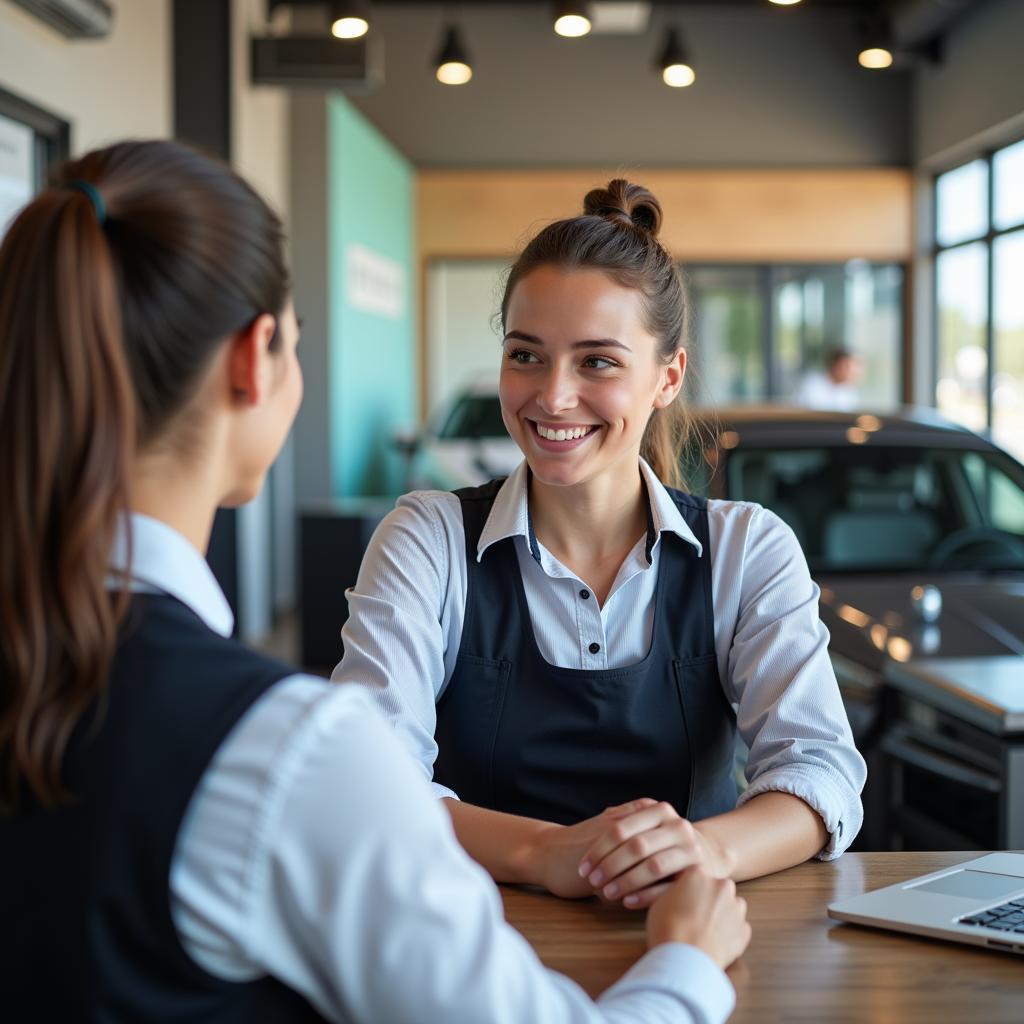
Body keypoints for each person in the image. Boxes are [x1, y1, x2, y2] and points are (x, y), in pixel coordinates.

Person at [0, 143, 750, 1022]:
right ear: (257, 358)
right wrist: (688, 962)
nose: (554, 397)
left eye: (597, 361)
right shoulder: (283, 752)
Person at [334, 180, 866, 907]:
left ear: (667, 376)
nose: (552, 396)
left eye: (598, 362)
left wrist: (697, 849)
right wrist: (545, 850)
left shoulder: (747, 548)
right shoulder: (428, 539)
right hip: (464, 945)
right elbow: (364, 785)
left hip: (689, 934)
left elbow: (821, 774)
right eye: (526, 355)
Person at [794, 347, 863, 411]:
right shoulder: (811, 384)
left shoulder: (849, 390)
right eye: (846, 366)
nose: (850, 371)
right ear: (834, 365)